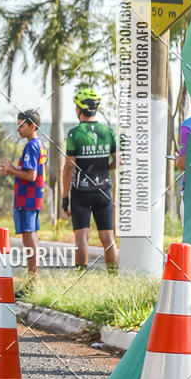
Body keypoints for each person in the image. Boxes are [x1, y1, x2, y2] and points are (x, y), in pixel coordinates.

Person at [61, 88, 118, 272]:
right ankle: (113, 278)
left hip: (81, 192)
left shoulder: (75, 134)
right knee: (108, 238)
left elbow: (69, 166)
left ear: (79, 110)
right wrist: (104, 167)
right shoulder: (108, 131)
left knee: (81, 237)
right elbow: (118, 161)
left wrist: (64, 197)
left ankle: (80, 279)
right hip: (103, 190)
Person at [0, 110, 47, 276]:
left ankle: (32, 280)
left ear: (32, 126)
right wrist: (14, 169)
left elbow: (31, 175)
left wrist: (11, 171)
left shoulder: (32, 146)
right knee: (29, 235)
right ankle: (32, 278)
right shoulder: (39, 145)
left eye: (21, 125)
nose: (18, 129)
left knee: (29, 236)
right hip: (32, 198)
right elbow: (29, 171)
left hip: (28, 199)